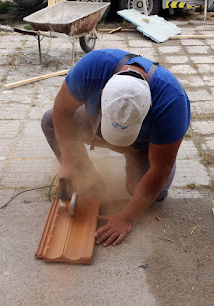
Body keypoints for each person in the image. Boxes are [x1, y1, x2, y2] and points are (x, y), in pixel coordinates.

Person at [41, 49, 190, 247]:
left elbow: (159, 170)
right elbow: (62, 109)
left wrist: (126, 218)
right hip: (97, 125)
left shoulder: (173, 102)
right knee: (50, 121)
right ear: (103, 92)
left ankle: (136, 161)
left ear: (150, 105)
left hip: (143, 146)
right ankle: (89, 180)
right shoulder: (92, 68)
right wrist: (69, 162)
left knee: (151, 196)